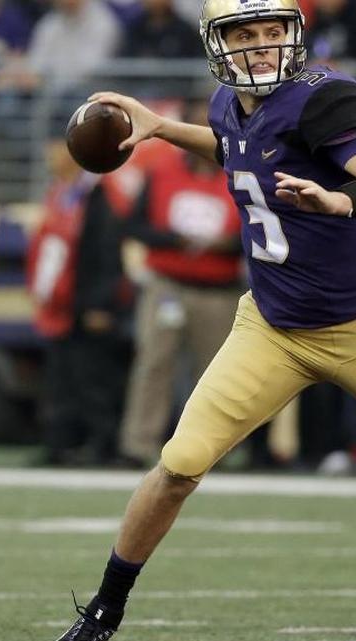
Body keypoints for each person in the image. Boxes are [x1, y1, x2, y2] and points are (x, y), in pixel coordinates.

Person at [53, 2, 356, 640]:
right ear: (218, 45)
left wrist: (342, 199)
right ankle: (104, 612)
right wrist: (163, 128)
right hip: (274, 328)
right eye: (245, 34)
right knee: (177, 465)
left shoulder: (322, 99)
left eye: (272, 31)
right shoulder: (227, 105)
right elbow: (234, 147)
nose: (261, 45)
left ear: (293, 34)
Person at [116, 145, 244, 468]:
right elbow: (134, 226)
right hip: (167, 284)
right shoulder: (161, 171)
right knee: (154, 362)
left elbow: (260, 230)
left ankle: (213, 447)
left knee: (216, 373)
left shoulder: (240, 174)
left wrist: (226, 245)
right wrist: (174, 240)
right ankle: (139, 443)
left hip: (219, 289)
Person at [27, 137, 133, 467]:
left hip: (89, 304)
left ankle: (103, 444)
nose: (50, 155)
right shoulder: (62, 192)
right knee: (62, 379)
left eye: (56, 146)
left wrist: (100, 304)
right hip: (62, 304)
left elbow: (107, 254)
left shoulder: (100, 194)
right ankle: (60, 443)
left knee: (95, 379)